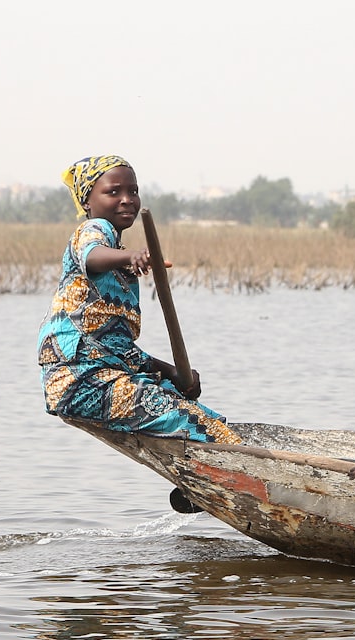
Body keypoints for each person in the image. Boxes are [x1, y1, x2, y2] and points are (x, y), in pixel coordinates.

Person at [37, 155, 241, 444]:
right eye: (113, 192)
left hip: (102, 377)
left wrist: (174, 374)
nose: (126, 200)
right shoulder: (94, 230)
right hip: (79, 382)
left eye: (133, 191)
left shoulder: (117, 267)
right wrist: (131, 256)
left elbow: (117, 348)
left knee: (197, 413)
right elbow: (91, 253)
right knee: (192, 421)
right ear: (87, 202)